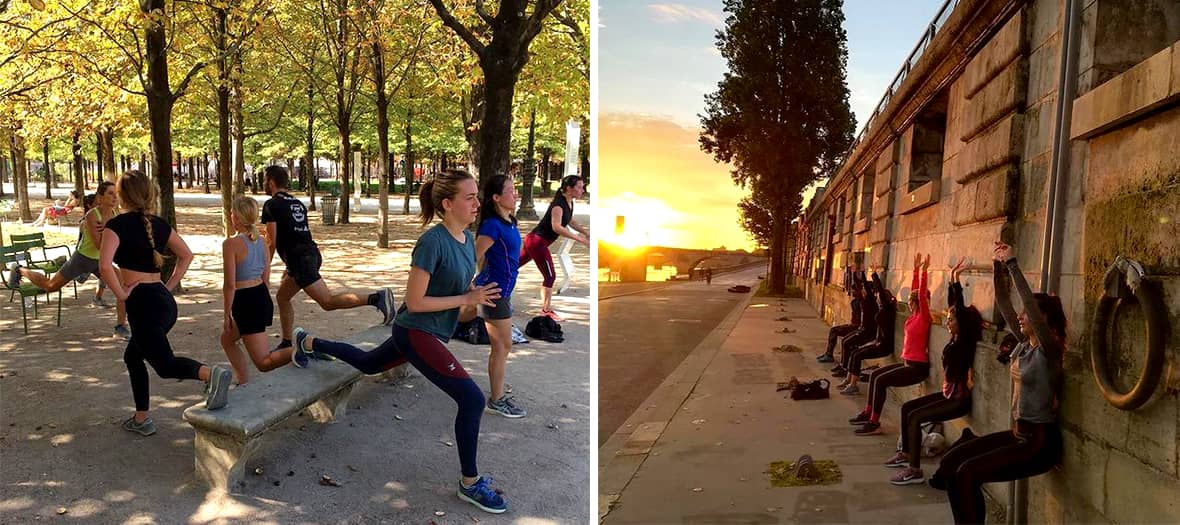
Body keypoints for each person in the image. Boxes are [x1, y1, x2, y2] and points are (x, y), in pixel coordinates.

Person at [291, 169, 508, 514]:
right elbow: (416, 301)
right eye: (470, 197)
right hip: (415, 331)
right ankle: (470, 483)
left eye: (477, 196)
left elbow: (460, 310)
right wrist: (464, 299)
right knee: (471, 399)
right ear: (448, 204)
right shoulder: (432, 242)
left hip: (432, 333)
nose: (477, 203)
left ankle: (310, 342)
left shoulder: (468, 243)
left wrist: (474, 302)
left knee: (367, 363)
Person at [935, 241, 1065, 524]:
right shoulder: (1024, 345)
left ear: (1044, 321)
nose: (1020, 316)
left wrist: (1013, 264)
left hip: (1039, 442)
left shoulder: (1049, 350)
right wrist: (997, 267)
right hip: (1018, 433)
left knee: (968, 473)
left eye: (1028, 314)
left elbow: (1027, 303)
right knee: (950, 464)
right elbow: (1006, 305)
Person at [98, 170, 232, 437]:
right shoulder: (157, 224)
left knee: (164, 365)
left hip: (142, 305)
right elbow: (186, 255)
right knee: (133, 356)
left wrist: (122, 295)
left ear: (122, 195)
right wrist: (167, 287)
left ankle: (211, 374)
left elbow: (104, 265)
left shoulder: (115, 226)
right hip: (162, 302)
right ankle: (141, 417)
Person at [260, 165, 395, 353]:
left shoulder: (271, 205)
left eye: (265, 180)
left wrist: (263, 267)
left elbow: (271, 241)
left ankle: (376, 298)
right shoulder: (297, 203)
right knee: (283, 297)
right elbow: (296, 235)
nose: (263, 183)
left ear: (271, 182)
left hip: (301, 261)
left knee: (327, 302)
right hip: (309, 255)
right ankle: (286, 341)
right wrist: (289, 266)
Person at [886, 257, 982, 485]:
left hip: (958, 399)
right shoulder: (954, 337)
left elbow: (958, 306)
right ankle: (907, 454)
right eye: (947, 319)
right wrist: (952, 281)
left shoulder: (965, 341)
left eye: (951, 319)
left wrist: (956, 281)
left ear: (963, 323)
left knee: (916, 417)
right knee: (908, 408)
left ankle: (914, 470)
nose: (947, 323)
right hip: (948, 394)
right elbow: (953, 305)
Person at [848, 253, 933, 427]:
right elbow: (916, 291)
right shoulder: (913, 316)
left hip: (918, 368)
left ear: (917, 303)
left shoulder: (924, 317)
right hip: (907, 363)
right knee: (875, 376)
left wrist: (924, 272)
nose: (908, 303)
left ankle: (874, 421)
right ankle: (868, 411)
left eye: (911, 301)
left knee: (881, 381)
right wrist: (915, 270)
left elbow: (922, 295)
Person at [220, 196, 293, 385]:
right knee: (227, 340)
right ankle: (242, 380)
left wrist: (227, 313)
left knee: (263, 362)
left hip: (245, 302)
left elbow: (229, 284)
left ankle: (303, 348)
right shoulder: (262, 242)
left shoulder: (230, 244)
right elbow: (265, 279)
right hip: (260, 296)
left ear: (235, 216)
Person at [473, 174, 525, 418]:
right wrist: (474, 287)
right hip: (494, 292)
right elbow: (473, 257)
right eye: (511, 190)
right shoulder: (492, 225)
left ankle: (498, 396)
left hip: (504, 291)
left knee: (503, 346)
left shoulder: (510, 221)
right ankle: (496, 400)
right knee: (502, 346)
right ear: (496, 197)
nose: (515, 194)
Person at [518, 175, 589, 321]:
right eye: (579, 187)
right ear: (569, 189)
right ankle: (546, 310)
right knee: (550, 276)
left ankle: (481, 282)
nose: (582, 190)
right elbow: (556, 227)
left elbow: (569, 220)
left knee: (511, 265)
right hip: (537, 242)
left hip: (535, 241)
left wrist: (586, 232)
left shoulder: (569, 202)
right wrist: (580, 239)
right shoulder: (558, 205)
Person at [835, 269, 896, 395]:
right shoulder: (878, 306)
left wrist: (872, 274)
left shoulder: (887, 309)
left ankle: (853, 385)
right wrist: (856, 271)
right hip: (877, 342)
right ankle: (848, 379)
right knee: (854, 352)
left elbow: (877, 290)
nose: (878, 299)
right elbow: (859, 286)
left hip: (884, 346)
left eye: (880, 298)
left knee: (857, 355)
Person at [818, 265, 865, 363]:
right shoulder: (856, 300)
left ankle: (830, 355)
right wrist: (853, 273)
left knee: (835, 331)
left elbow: (859, 285)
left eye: (854, 290)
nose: (852, 292)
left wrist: (855, 274)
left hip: (858, 327)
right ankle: (828, 354)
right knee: (834, 330)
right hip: (854, 325)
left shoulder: (862, 301)